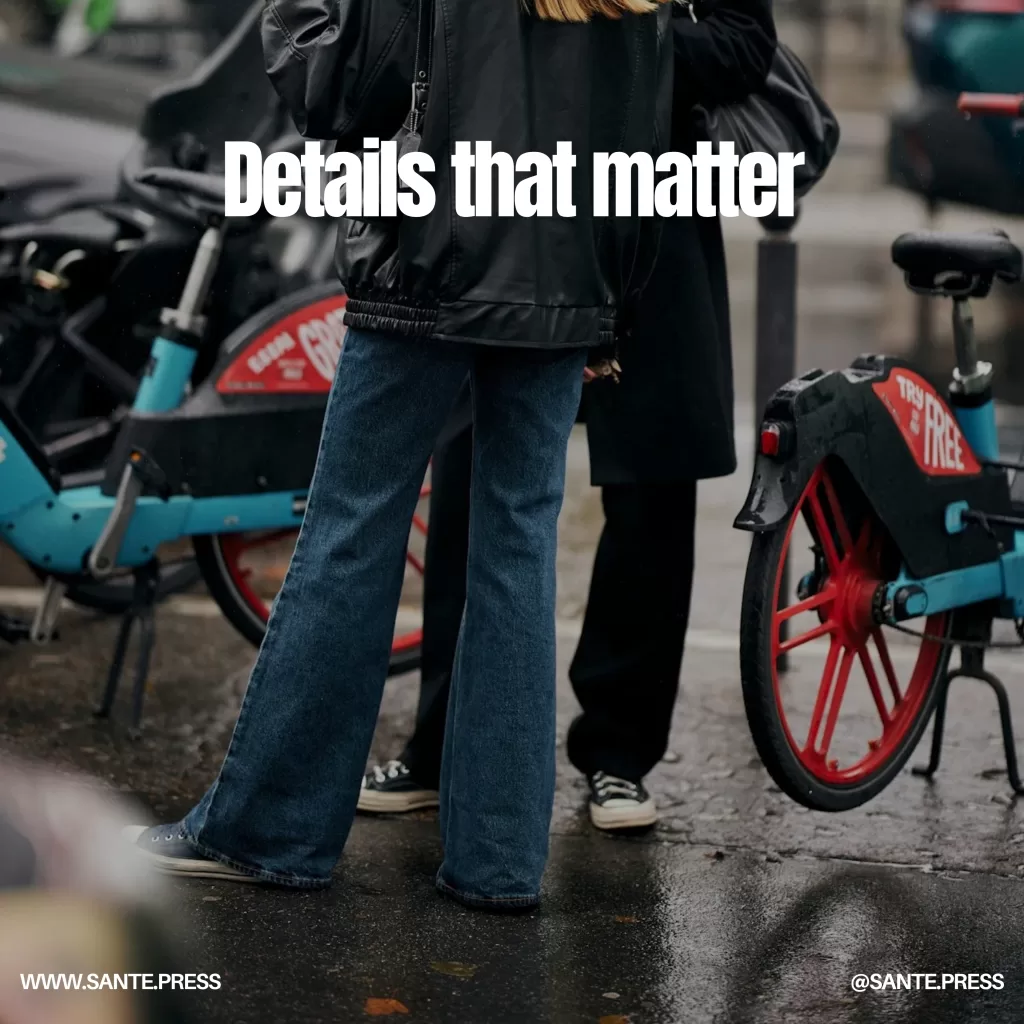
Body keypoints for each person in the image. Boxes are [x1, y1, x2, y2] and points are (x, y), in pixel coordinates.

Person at [128, 0, 675, 913]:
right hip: (569, 267)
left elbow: (338, 80)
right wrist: (613, 297)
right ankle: (498, 861)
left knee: (353, 522)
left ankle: (271, 830)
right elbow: (647, 132)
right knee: (517, 548)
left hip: (432, 251)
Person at [360, 0, 778, 831]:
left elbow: (743, 45)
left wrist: (605, 34)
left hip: (650, 213)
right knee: (474, 470)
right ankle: (442, 743)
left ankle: (619, 756)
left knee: (650, 485)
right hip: (510, 203)